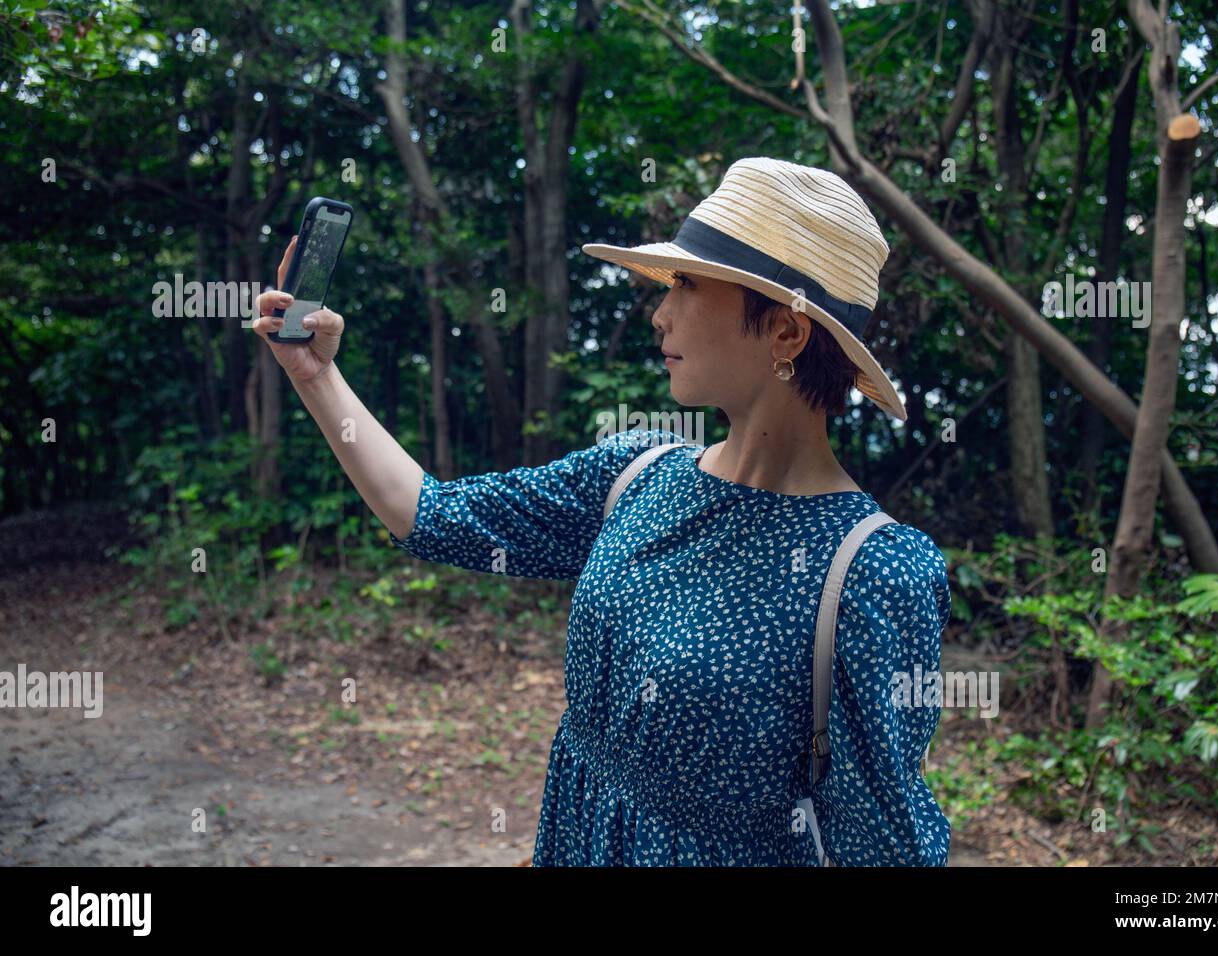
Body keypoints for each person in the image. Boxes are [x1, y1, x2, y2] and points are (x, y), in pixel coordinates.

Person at [251, 156, 951, 866]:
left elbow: (882, 849)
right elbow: (429, 513)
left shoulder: (873, 575)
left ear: (786, 334)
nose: (660, 312)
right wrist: (317, 374)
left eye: (685, 284)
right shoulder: (637, 475)